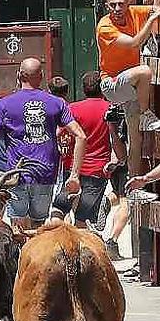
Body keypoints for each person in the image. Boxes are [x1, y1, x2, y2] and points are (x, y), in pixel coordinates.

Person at [0, 57, 85, 230]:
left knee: (18, 225)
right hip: (45, 173)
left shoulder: (4, 104)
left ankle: (22, 254)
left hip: (16, 175)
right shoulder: (57, 103)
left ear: (18, 75)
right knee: (39, 224)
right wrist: (75, 175)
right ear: (42, 76)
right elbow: (80, 135)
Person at [66, 71, 124, 248]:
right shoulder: (111, 109)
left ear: (83, 89)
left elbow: (64, 135)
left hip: (73, 167)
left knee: (69, 208)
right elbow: (116, 138)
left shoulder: (72, 108)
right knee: (84, 216)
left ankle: (70, 245)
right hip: (98, 168)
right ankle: (83, 249)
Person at [97, 0, 160, 109]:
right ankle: (146, 114)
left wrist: (159, 12)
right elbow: (135, 43)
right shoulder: (104, 27)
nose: (117, 8)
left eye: (121, 4)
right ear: (106, 6)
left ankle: (141, 119)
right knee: (145, 71)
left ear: (128, 3)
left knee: (134, 125)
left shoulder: (133, 12)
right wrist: (150, 20)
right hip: (112, 83)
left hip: (133, 84)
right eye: (112, 5)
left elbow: (155, 9)